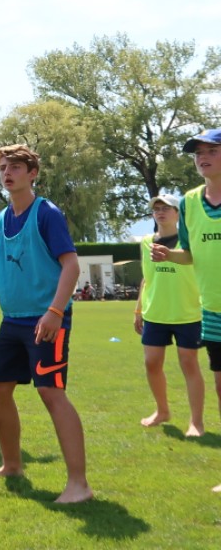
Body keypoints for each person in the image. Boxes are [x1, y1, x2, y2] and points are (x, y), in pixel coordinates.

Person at [0, 144, 92, 503]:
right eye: (3, 168)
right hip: (13, 322)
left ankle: (79, 484)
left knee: (51, 393)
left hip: (47, 320)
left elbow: (71, 266)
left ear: (32, 174)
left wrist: (55, 312)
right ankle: (11, 465)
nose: (7, 172)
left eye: (15, 166)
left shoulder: (47, 213)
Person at [150, 128, 221, 492]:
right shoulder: (191, 202)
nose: (202, 157)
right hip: (212, 309)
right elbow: (190, 254)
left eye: (212, 150)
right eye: (197, 153)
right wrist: (169, 254)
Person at [135, 193, 204, 434]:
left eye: (166, 208)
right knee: (151, 364)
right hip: (155, 314)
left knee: (189, 364)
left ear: (178, 213)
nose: (160, 212)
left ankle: (196, 422)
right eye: (156, 209)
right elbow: (147, 277)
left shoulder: (191, 241)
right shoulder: (146, 242)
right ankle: (162, 410)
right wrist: (138, 309)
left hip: (188, 313)